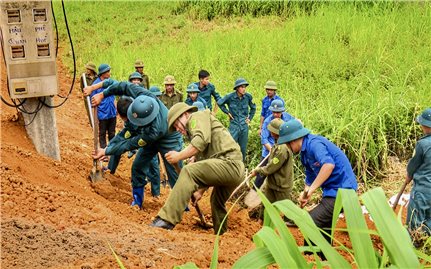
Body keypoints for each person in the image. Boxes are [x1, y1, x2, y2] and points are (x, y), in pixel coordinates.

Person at [84, 80, 183, 209]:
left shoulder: (153, 131)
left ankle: (182, 206)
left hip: (169, 138)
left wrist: (106, 151)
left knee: (175, 172)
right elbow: (122, 86)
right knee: (137, 166)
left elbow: (129, 144)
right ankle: (137, 201)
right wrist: (102, 95)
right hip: (150, 135)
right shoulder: (143, 96)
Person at [150, 103, 244, 234]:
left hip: (229, 164)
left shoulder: (196, 117)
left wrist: (178, 156)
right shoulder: (202, 128)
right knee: (217, 202)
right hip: (235, 170)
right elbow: (208, 166)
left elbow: (199, 142)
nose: (178, 129)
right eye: (175, 127)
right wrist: (200, 191)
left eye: (177, 124)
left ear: (185, 114)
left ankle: (166, 220)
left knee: (188, 171)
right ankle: (222, 234)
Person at [278, 119, 357, 258]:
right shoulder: (304, 153)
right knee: (324, 226)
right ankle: (324, 259)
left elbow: (328, 165)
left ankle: (310, 259)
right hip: (331, 192)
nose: (288, 148)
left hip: (343, 191)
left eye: (287, 144)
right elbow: (310, 176)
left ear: (294, 139)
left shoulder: (315, 144)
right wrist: (305, 193)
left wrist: (312, 189)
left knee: (311, 221)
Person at [250, 118, 293, 205]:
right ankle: (261, 218)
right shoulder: (277, 144)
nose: (269, 132)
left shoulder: (282, 149)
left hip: (282, 187)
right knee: (266, 209)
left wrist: (257, 170)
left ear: (275, 133)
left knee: (287, 213)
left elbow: (270, 168)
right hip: (272, 184)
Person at [255, 99, 294, 188]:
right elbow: (264, 139)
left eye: (278, 112)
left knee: (281, 173)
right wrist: (273, 151)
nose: (276, 115)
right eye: (274, 112)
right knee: (261, 174)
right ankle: (255, 191)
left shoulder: (288, 118)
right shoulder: (268, 121)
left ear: (282, 111)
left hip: (283, 151)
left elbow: (296, 124)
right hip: (268, 152)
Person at [217, 78, 256, 162]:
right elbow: (220, 103)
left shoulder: (248, 97)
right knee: (230, 146)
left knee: (243, 148)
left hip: (244, 126)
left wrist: (249, 118)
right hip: (234, 125)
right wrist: (227, 112)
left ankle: (241, 165)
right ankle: (228, 163)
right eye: (242, 87)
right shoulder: (230, 97)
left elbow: (253, 108)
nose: (244, 89)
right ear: (237, 88)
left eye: (245, 87)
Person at [406, 108, 431, 237]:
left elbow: (413, 165)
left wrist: (409, 174)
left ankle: (413, 249)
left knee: (414, 223)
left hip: (423, 190)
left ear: (425, 126)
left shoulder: (423, 144)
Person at [91, 64, 117, 149]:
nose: (110, 73)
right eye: (108, 71)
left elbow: (114, 97)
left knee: (112, 133)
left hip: (112, 112)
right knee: (102, 133)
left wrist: (116, 109)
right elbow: (93, 102)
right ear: (103, 73)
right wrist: (94, 117)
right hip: (102, 114)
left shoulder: (111, 82)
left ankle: (112, 149)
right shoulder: (96, 84)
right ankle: (103, 151)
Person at [80, 62, 97, 127]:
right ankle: (93, 127)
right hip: (88, 98)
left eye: (88, 69)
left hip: (96, 97)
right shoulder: (83, 77)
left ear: (92, 70)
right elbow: (82, 87)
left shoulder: (97, 77)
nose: (87, 70)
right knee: (90, 113)